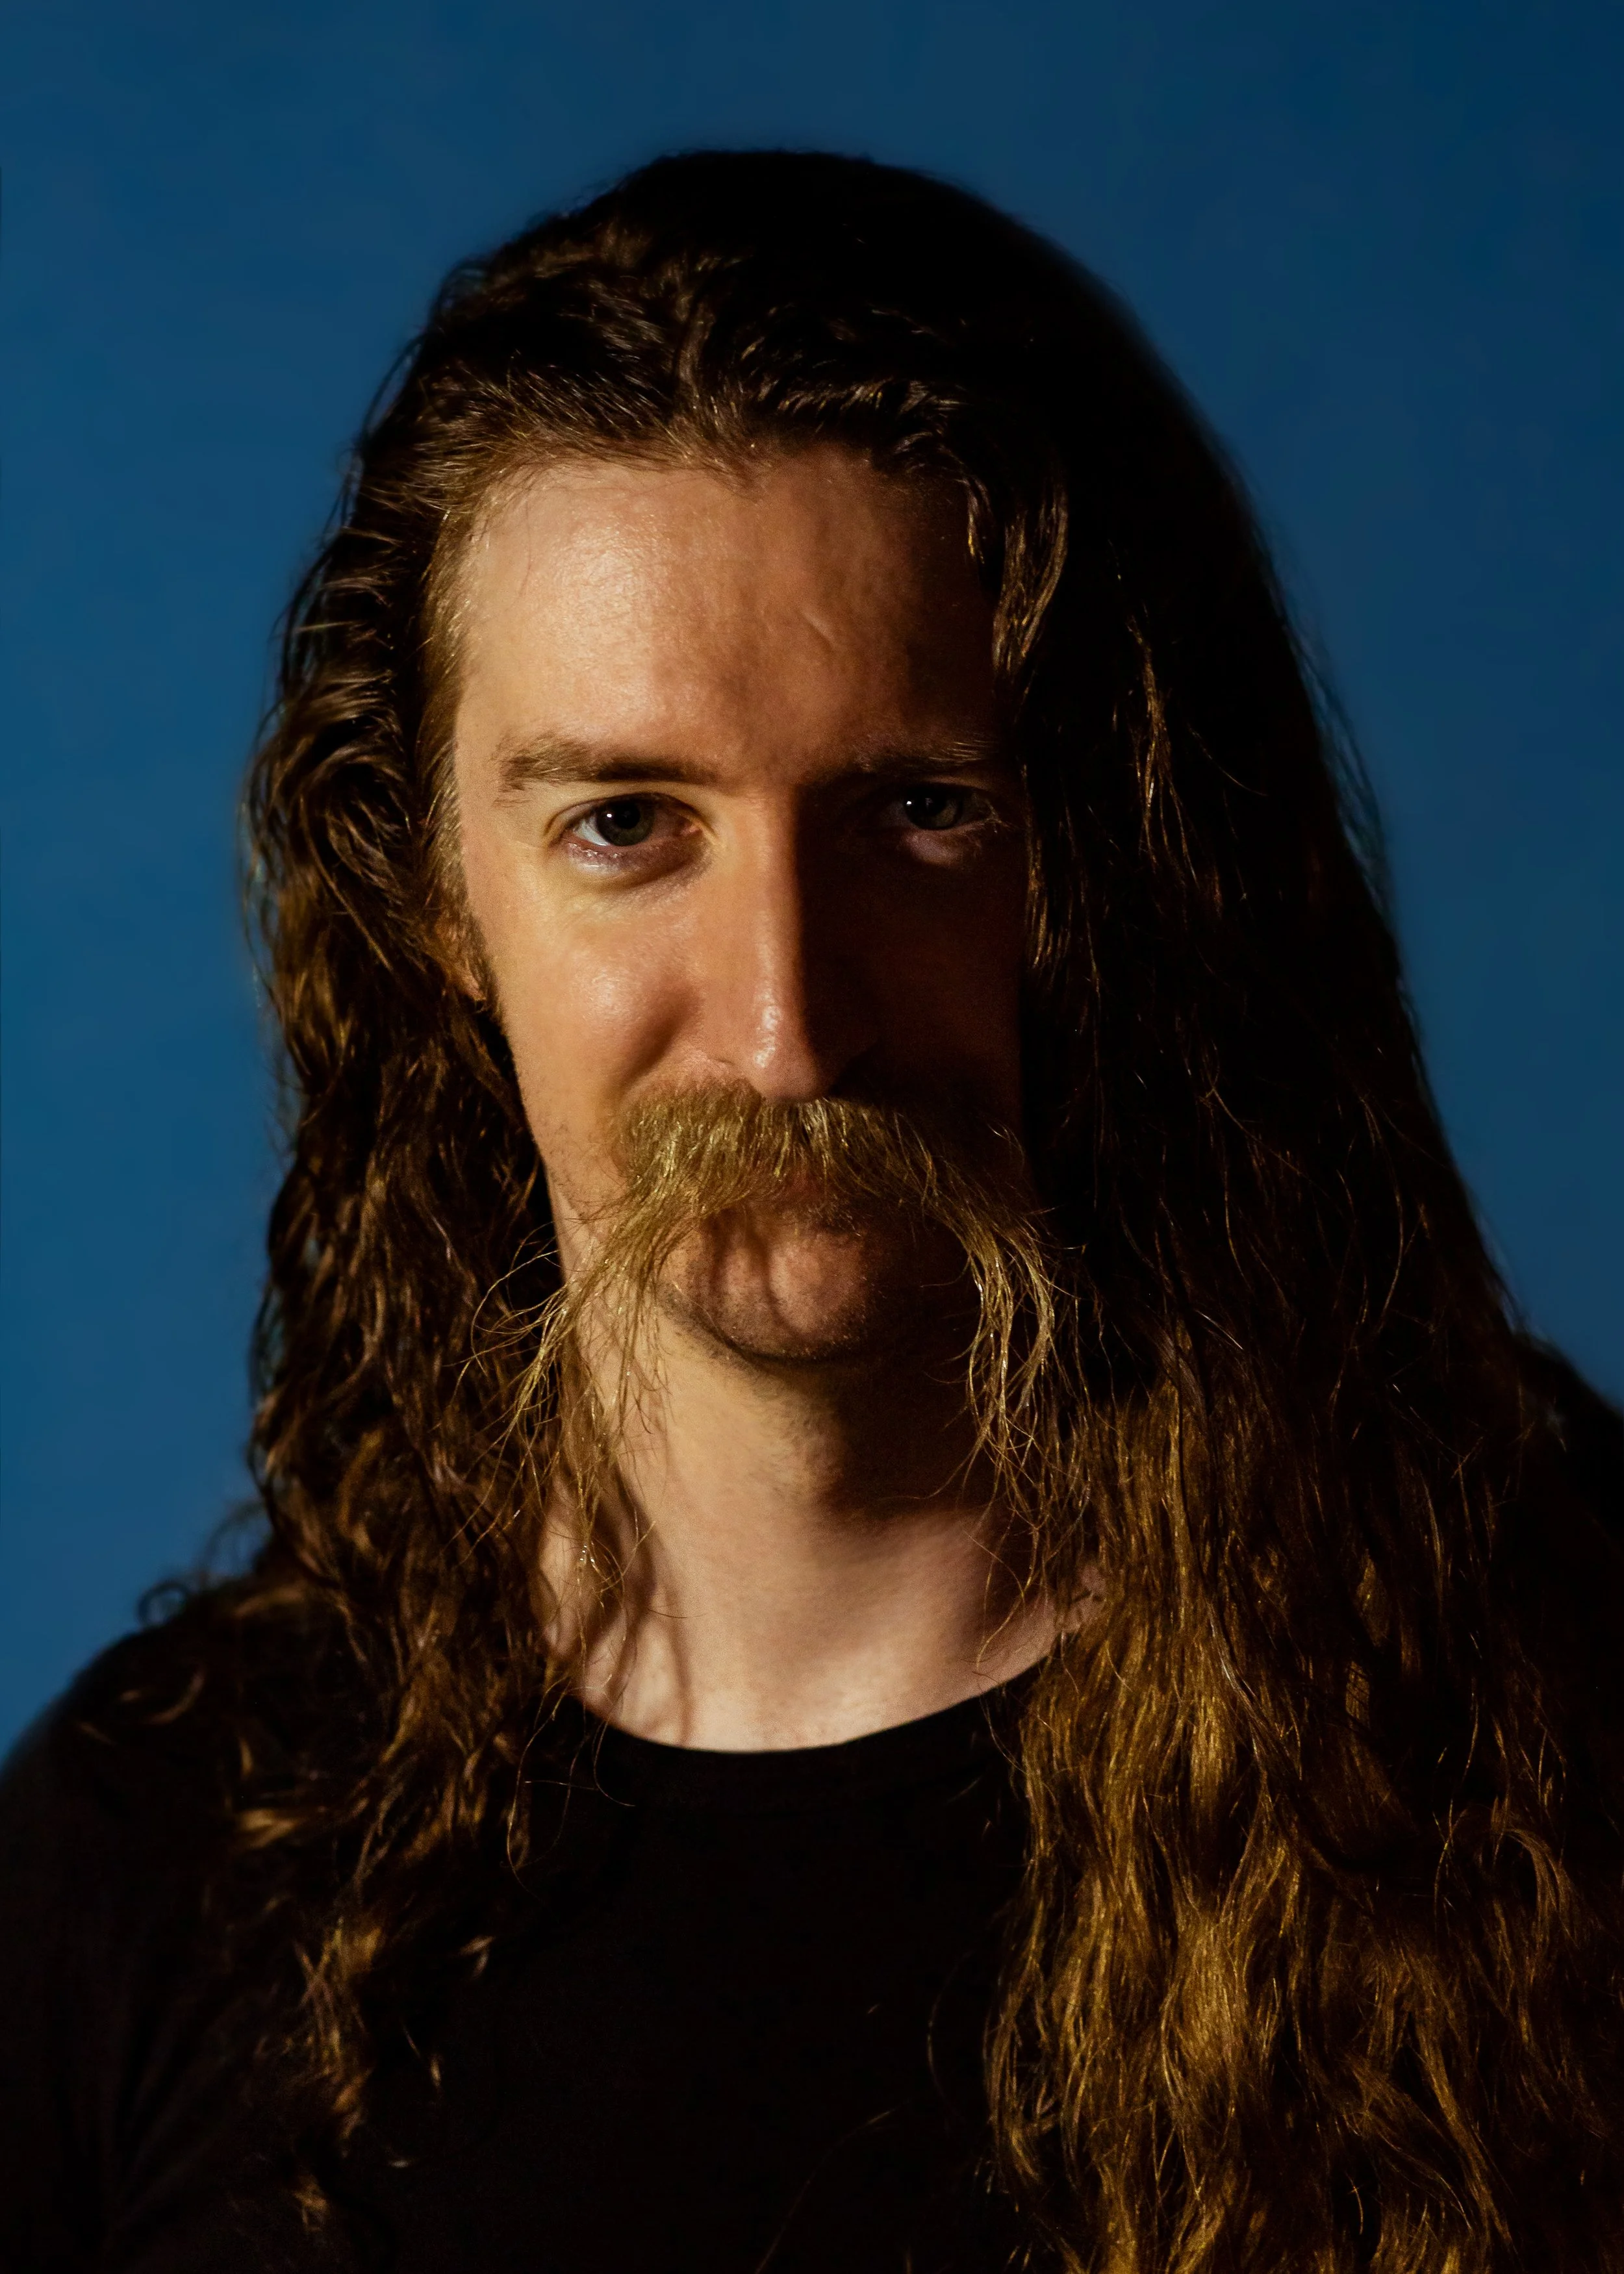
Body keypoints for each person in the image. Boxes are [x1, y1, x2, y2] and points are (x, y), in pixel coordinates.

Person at [3, 148, 1621, 2274]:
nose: (784, 1028)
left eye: (921, 814)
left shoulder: (1564, 1703)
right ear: (435, 898)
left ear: (1129, 856)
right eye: (624, 825)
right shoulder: (154, 1858)